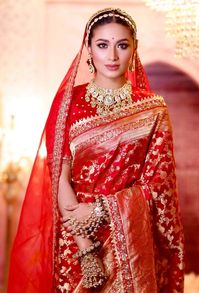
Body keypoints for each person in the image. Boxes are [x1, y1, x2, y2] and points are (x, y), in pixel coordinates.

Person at [8, 7, 184, 293]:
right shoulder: (68, 103)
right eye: (102, 45)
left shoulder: (153, 108)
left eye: (122, 45)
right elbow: (59, 175)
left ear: (134, 47)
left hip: (131, 240)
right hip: (76, 233)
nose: (112, 56)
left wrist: (103, 210)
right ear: (89, 48)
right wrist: (86, 249)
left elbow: (158, 184)